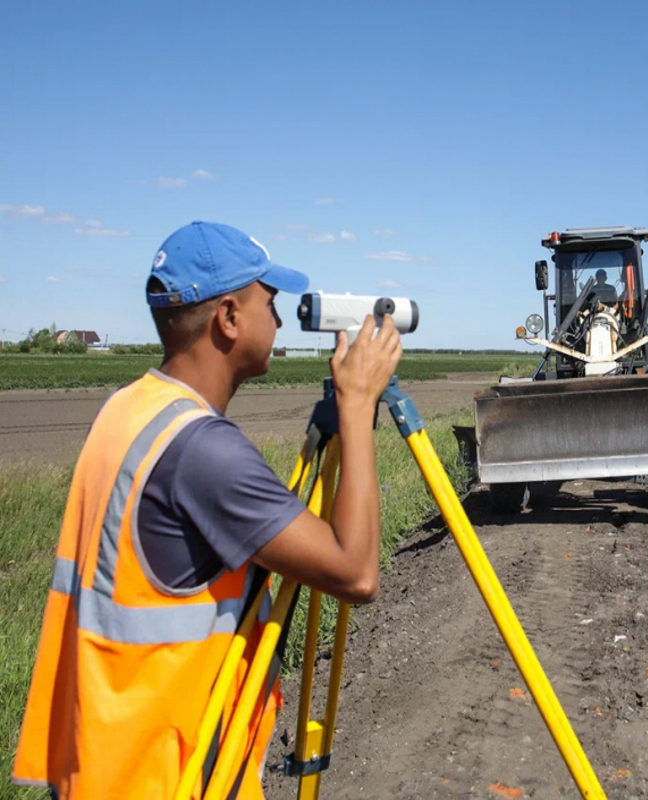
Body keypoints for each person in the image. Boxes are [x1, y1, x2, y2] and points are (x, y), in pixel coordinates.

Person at [12, 221, 402, 799]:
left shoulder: (129, 409)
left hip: (106, 761)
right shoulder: (203, 451)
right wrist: (358, 402)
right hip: (166, 776)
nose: (278, 319)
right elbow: (357, 572)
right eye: (269, 303)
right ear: (228, 318)